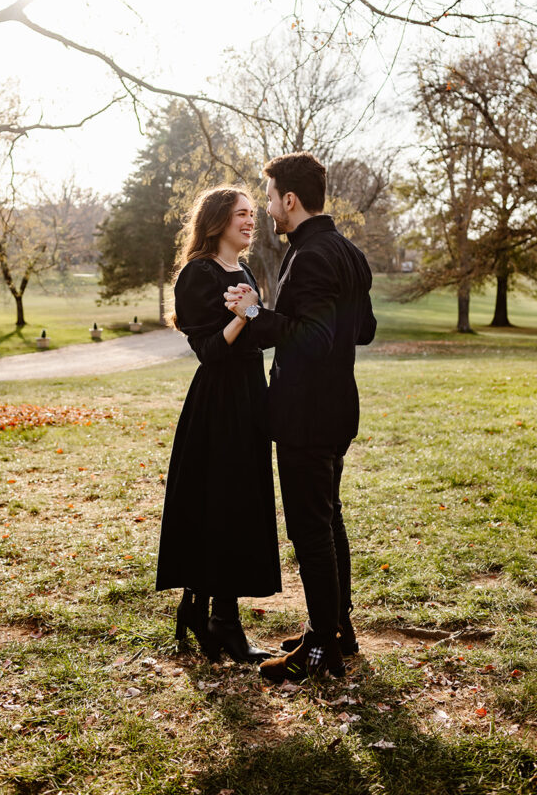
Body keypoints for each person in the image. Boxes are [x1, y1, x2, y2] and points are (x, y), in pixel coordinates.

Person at [225, 152, 376, 682]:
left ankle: (321, 652)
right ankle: (336, 630)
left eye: (268, 198)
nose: (267, 209)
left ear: (290, 199)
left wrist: (252, 315)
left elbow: (313, 337)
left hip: (307, 415)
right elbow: (363, 330)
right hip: (338, 408)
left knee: (311, 529)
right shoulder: (349, 253)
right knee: (328, 519)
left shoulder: (311, 255)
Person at [156, 186, 281, 663]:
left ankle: (202, 608)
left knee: (237, 503)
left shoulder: (244, 270)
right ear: (217, 221)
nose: (251, 222)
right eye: (241, 215)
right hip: (219, 401)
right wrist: (239, 317)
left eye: (253, 214)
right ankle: (219, 619)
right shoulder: (197, 274)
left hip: (250, 395)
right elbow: (209, 351)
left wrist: (251, 311)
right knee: (219, 504)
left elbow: (258, 330)